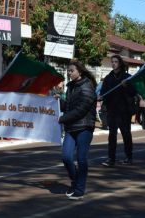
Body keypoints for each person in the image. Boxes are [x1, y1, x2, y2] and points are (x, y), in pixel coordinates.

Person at [58, 61, 97, 200]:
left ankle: (80, 189)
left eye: (71, 71)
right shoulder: (70, 87)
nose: (69, 73)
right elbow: (68, 106)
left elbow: (81, 110)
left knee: (81, 159)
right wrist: (57, 102)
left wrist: (62, 119)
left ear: (79, 72)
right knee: (66, 157)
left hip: (84, 127)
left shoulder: (87, 86)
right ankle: (75, 182)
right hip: (71, 127)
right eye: (68, 71)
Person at [100, 54, 137, 167]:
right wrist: (102, 97)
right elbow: (103, 92)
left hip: (124, 111)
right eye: (112, 62)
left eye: (115, 61)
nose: (113, 64)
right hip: (112, 111)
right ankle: (111, 159)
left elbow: (133, 92)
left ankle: (129, 157)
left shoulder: (127, 77)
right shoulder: (108, 78)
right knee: (112, 135)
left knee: (126, 134)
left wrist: (126, 86)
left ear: (120, 63)